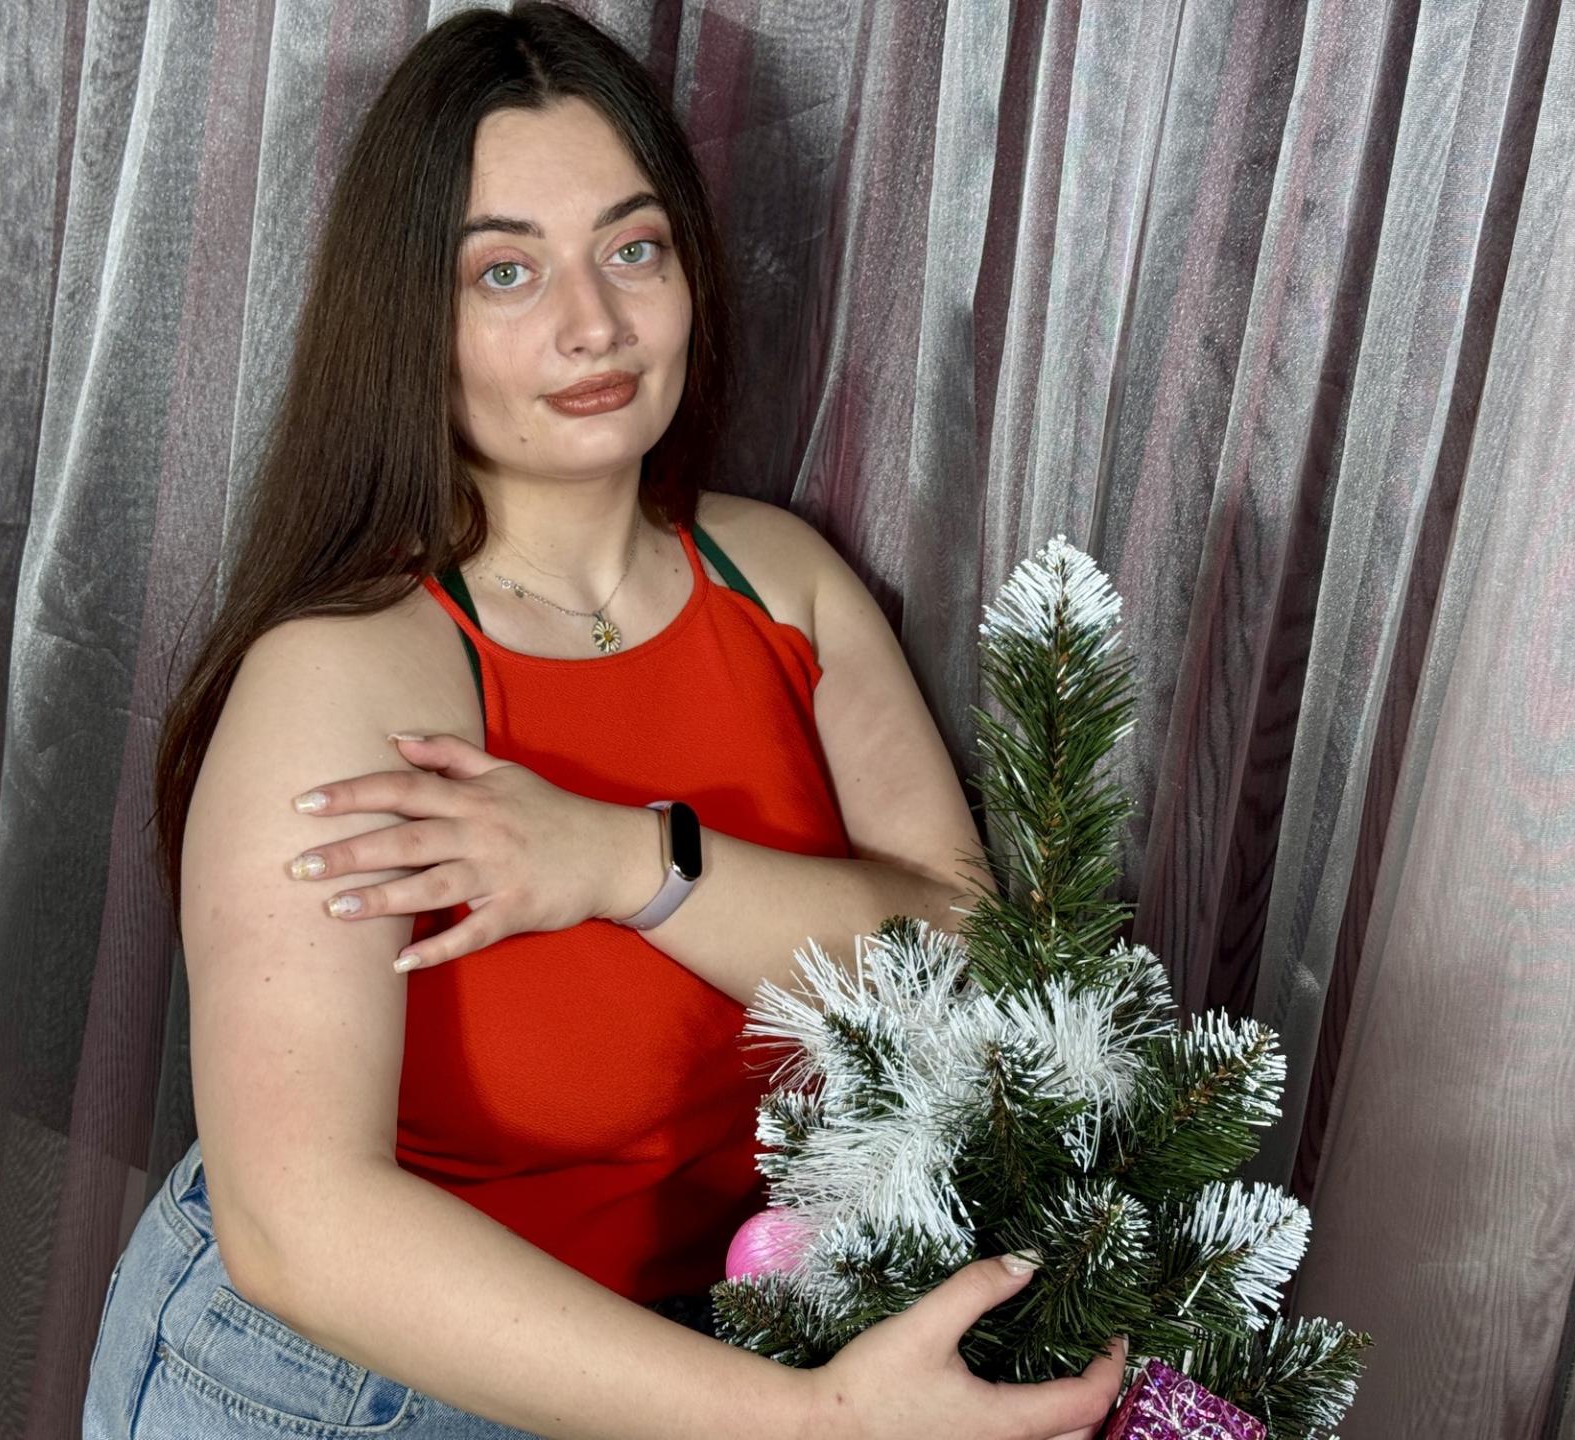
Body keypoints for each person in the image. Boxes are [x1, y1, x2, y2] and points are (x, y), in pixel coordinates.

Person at [83, 4, 1128, 1437]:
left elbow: (976, 981)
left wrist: (631, 864)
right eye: (505, 271)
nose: (594, 325)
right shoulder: (343, 676)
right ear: (410, 318)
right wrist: (813, 1423)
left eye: (632, 250)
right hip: (358, 1390)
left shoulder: (783, 582)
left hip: (716, 1358)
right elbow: (296, 1226)